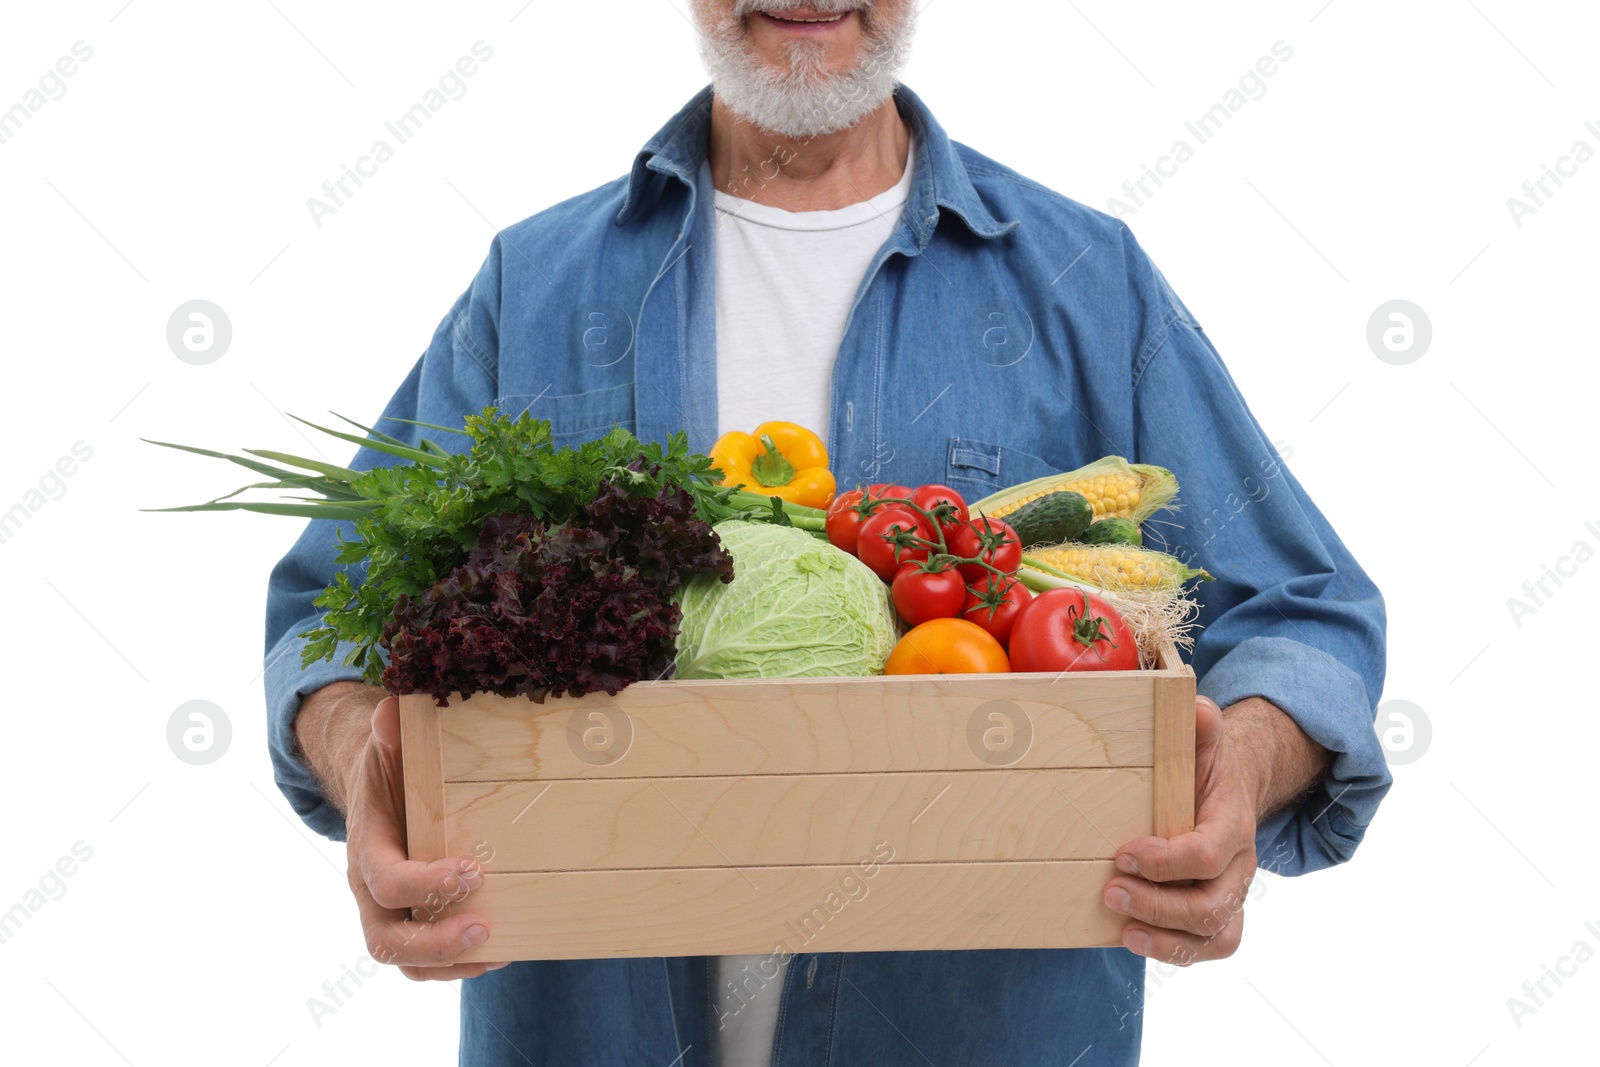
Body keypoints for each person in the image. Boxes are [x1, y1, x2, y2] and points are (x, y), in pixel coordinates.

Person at [264, 2, 1392, 1063]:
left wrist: (1237, 772)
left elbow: (1303, 609)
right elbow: (331, 609)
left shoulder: (1086, 284)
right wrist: (366, 760)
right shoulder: (538, 285)